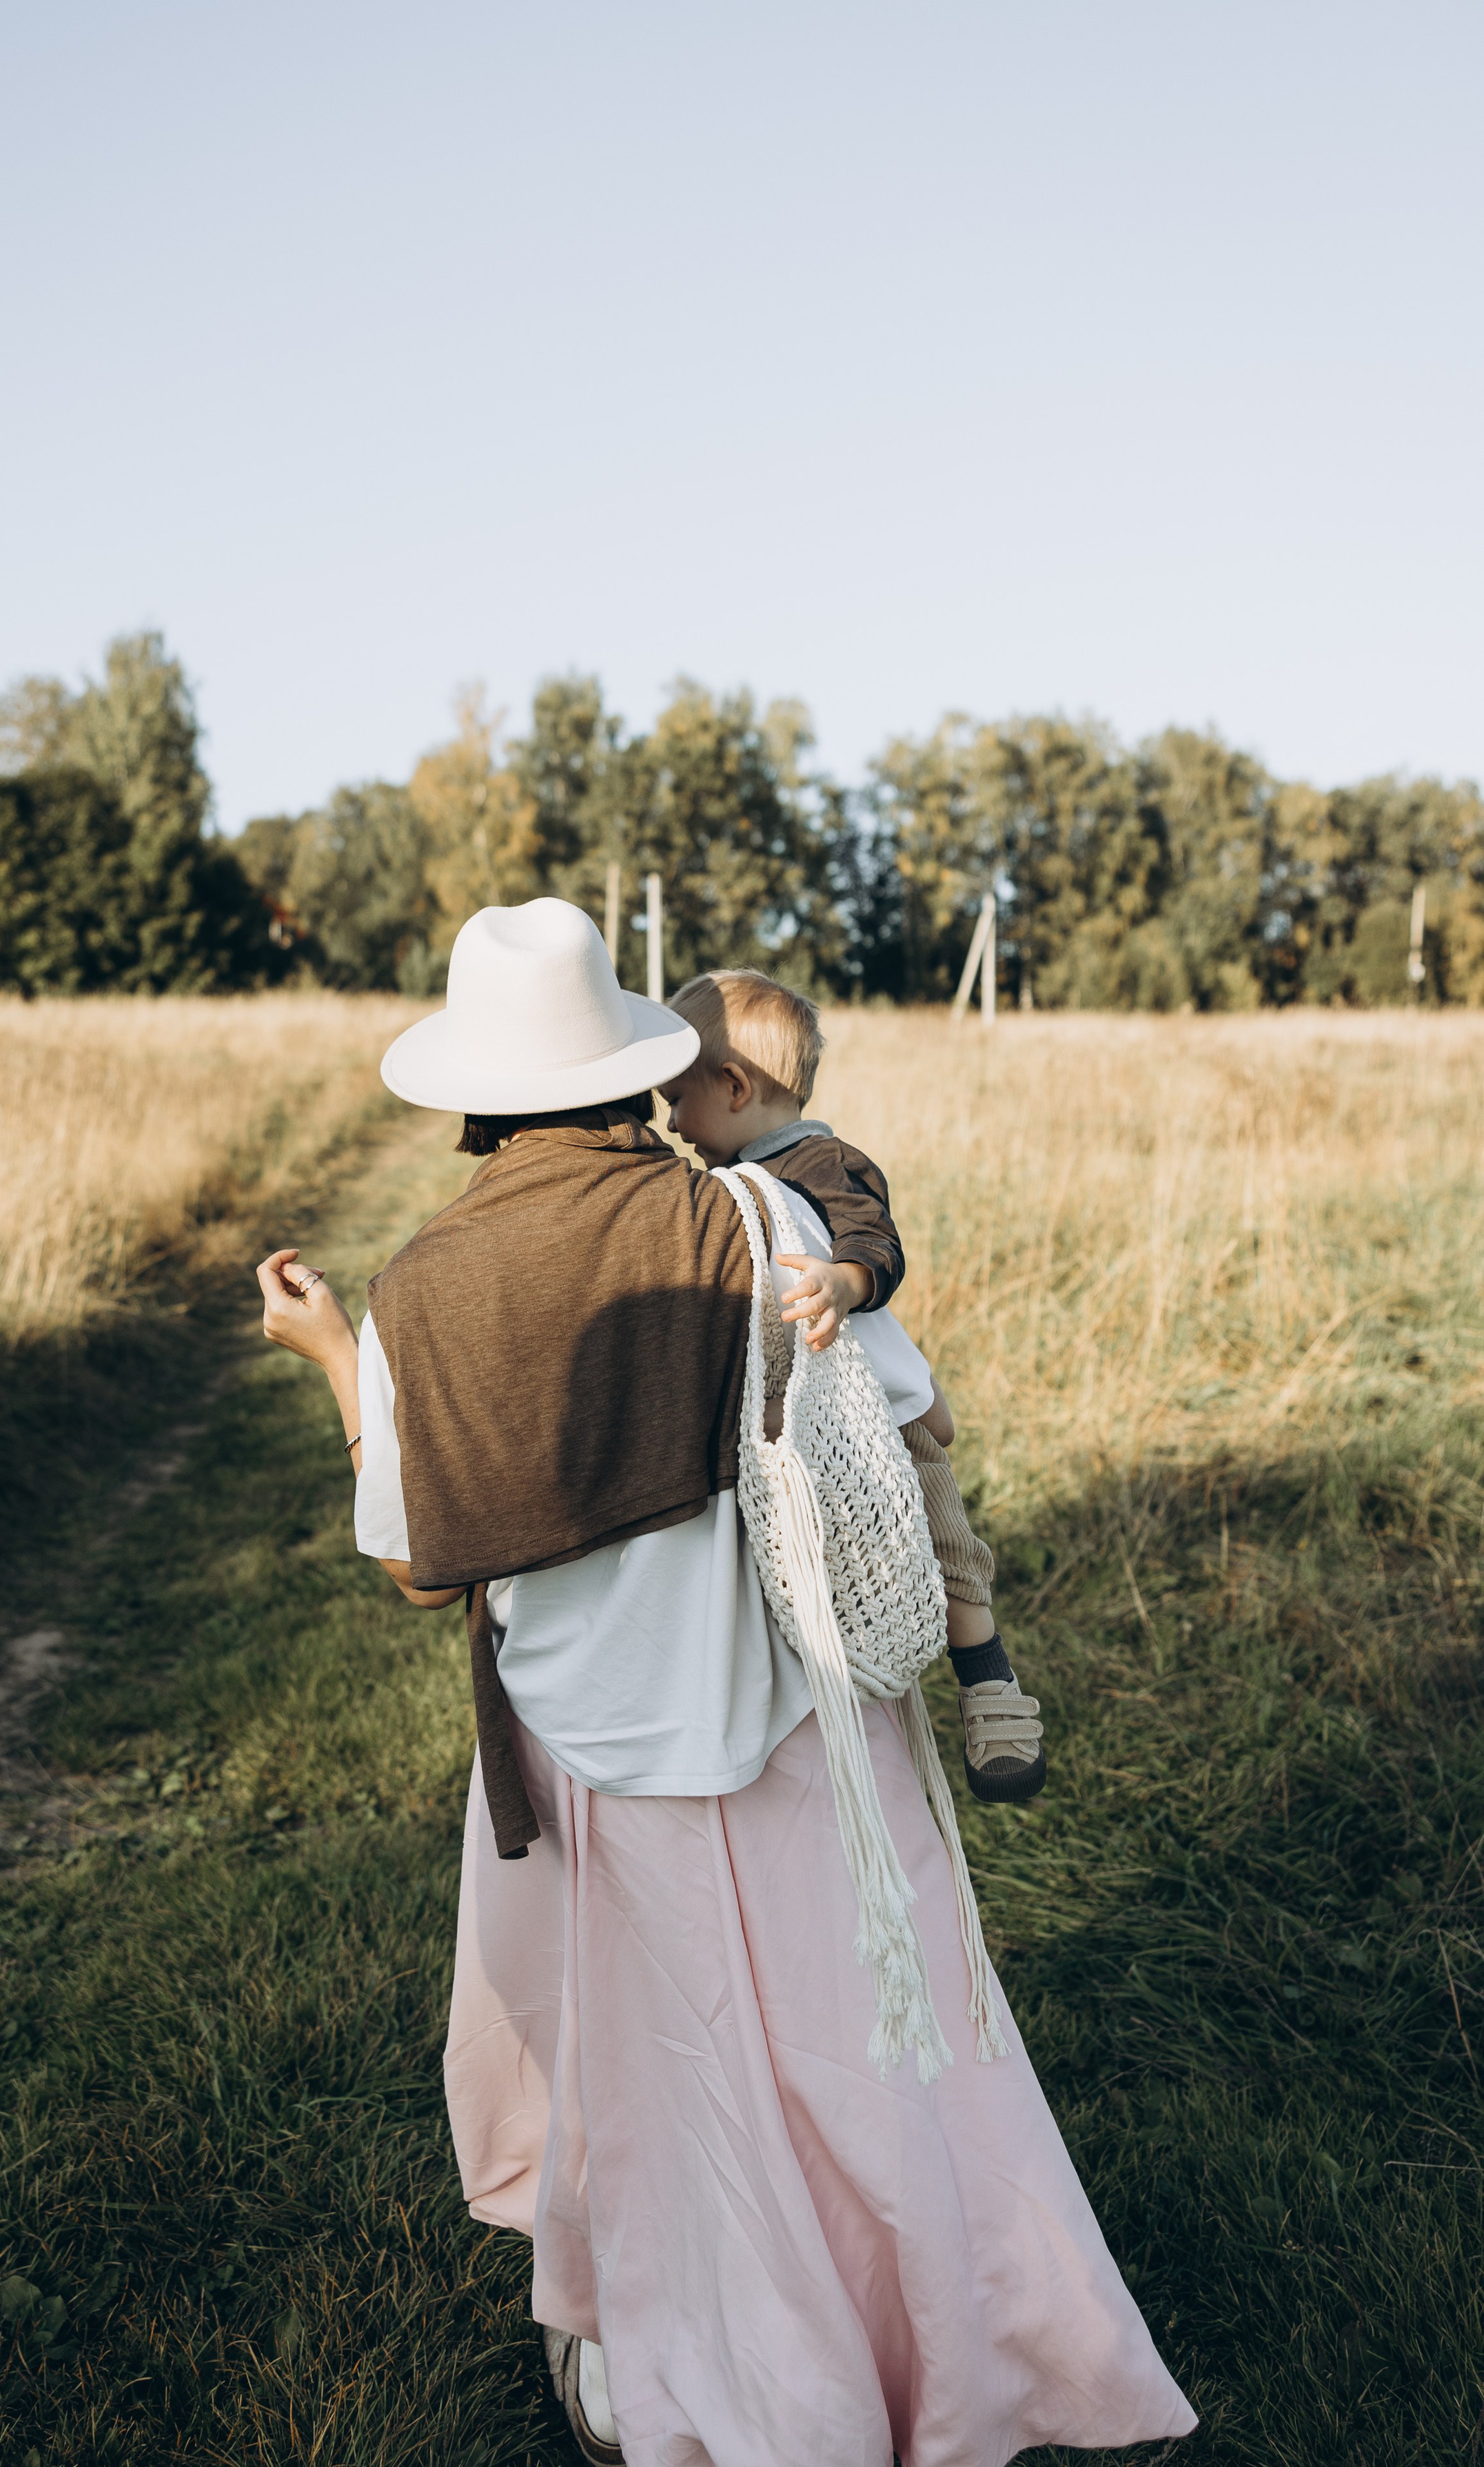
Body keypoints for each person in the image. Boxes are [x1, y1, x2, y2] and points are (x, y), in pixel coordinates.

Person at [256, 897, 1195, 2467]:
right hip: (804, 1724)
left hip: (592, 1754)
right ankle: (940, 2360)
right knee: (881, 2066)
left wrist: (332, 1358)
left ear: (472, 1096)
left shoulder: (417, 1290)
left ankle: (706, 2374)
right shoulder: (760, 1225)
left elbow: (421, 1561)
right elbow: (896, 1413)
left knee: (672, 2094)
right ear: (638, 1070)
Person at [661, 966, 1045, 1806]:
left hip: (882, 1407)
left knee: (944, 1543)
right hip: (804, 1415)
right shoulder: (714, 1190)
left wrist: (843, 1280)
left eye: (675, 1099)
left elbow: (878, 1243)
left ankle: (990, 1692)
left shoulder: (824, 1164)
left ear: (731, 1087)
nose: (668, 1120)